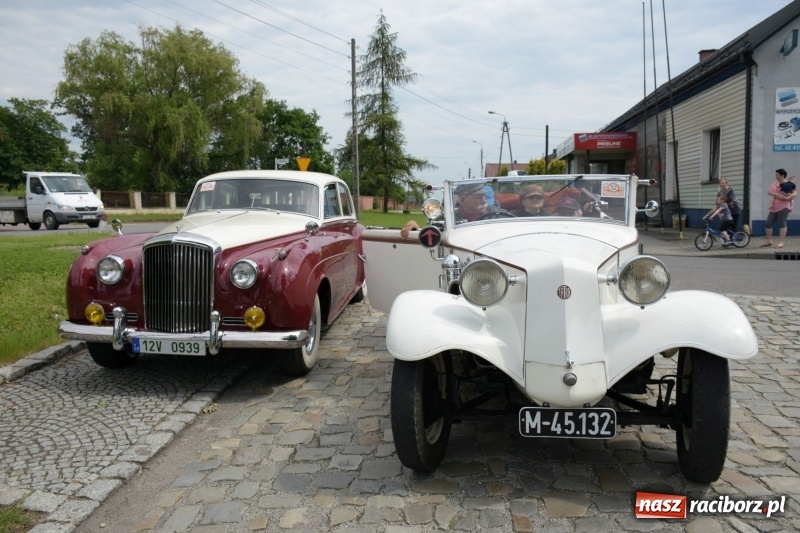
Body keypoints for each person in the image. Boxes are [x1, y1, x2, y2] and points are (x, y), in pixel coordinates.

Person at [400, 181, 490, 239]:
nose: (484, 201)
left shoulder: (496, 215)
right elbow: (430, 236)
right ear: (462, 200)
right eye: (478, 197)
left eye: (484, 196)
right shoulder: (446, 218)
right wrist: (415, 228)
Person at [763, 168, 797, 249]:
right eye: (776, 175)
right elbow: (769, 192)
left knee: (782, 223)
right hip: (774, 206)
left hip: (783, 206)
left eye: (777, 175)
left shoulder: (788, 183)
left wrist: (788, 198)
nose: (776, 177)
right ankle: (769, 240)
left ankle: (781, 242)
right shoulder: (774, 184)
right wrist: (777, 195)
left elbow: (795, 193)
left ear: (782, 175)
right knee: (768, 223)